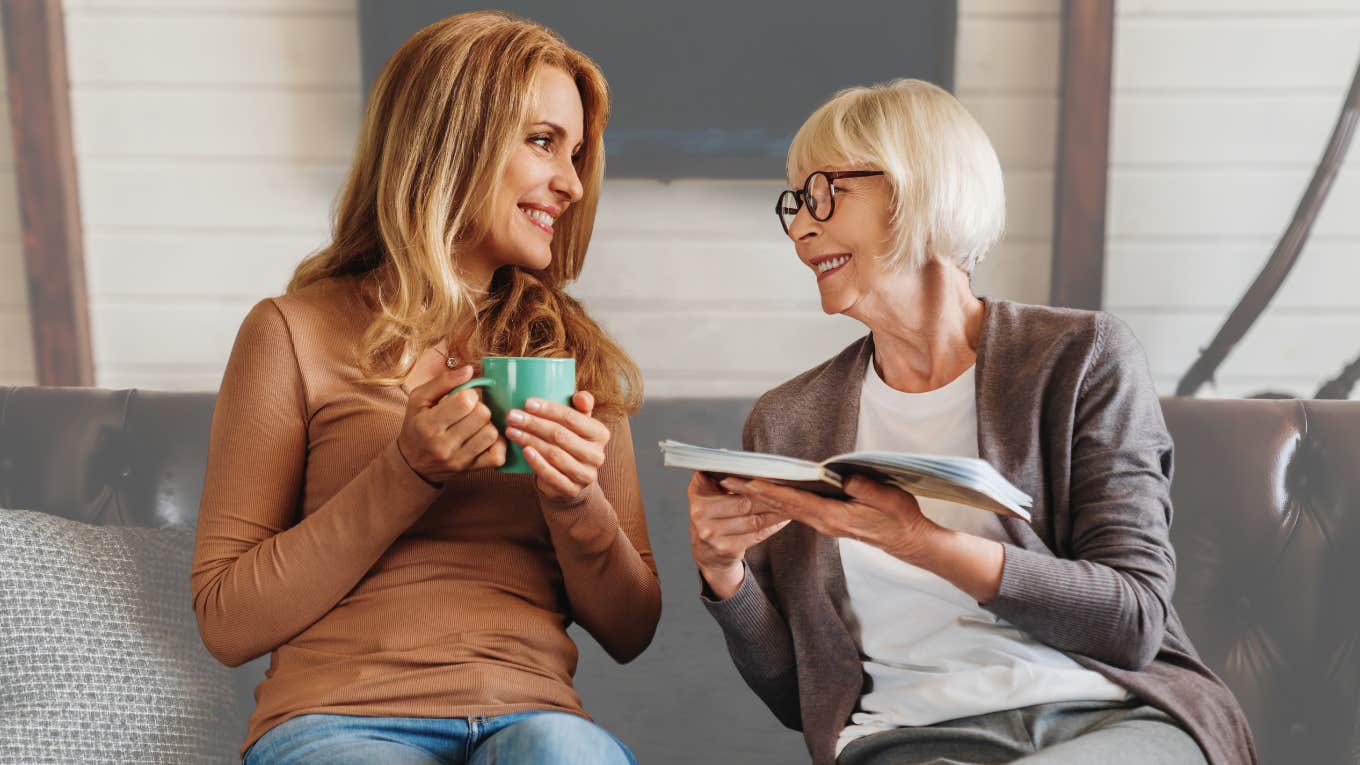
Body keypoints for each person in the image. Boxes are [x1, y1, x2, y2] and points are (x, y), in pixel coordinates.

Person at [687, 79, 1255, 765]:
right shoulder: (788, 422)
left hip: (1112, 721)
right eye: (796, 202)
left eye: (826, 191)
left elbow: (1132, 619)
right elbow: (797, 693)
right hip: (911, 742)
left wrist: (920, 540)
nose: (802, 225)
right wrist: (725, 575)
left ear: (917, 188)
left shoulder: (1079, 360)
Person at [191, 12, 660, 765]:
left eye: (576, 153)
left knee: (567, 752)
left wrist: (578, 505)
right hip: (337, 721)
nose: (572, 182)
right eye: (544, 142)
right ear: (454, 139)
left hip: (532, 715)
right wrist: (407, 472)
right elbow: (225, 621)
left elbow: (631, 629)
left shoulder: (568, 353)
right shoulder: (293, 332)